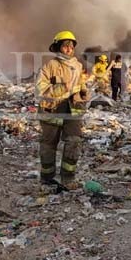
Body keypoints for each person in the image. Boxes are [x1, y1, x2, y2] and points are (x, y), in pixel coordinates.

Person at [36, 30, 90, 189]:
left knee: (74, 141)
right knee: (48, 145)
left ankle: (68, 178)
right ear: (58, 47)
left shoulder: (78, 66)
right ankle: (47, 178)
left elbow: (82, 86)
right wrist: (63, 89)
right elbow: (41, 89)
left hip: (72, 111)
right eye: (65, 46)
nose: (69, 49)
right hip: (52, 110)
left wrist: (83, 94)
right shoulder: (50, 66)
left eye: (71, 46)